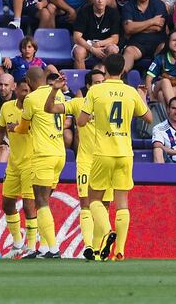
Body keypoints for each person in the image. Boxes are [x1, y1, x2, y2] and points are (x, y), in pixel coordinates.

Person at [77, 54, 152, 261]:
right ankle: (119, 251)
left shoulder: (95, 90)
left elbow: (82, 122)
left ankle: (108, 229)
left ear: (106, 69)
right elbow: (148, 117)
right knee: (122, 202)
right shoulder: (130, 92)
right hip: (125, 153)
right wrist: (139, 100)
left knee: (93, 199)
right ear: (123, 70)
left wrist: (93, 114)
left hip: (103, 152)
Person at [44, 73, 114, 261]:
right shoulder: (77, 103)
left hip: (105, 160)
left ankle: (100, 250)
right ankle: (89, 247)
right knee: (85, 204)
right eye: (96, 83)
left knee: (103, 206)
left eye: (102, 82)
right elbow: (50, 108)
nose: (100, 85)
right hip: (85, 161)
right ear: (89, 86)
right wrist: (55, 89)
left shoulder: (109, 104)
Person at [9, 67, 66, 258]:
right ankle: (43, 248)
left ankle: (53, 248)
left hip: (43, 155)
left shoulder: (31, 99)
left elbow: (24, 128)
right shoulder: (58, 96)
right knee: (45, 202)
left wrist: (14, 128)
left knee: (40, 202)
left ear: (29, 81)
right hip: (60, 153)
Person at [0, 79, 37, 258]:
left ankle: (32, 246)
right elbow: (0, 130)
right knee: (7, 203)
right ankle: (18, 243)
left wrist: (17, 128)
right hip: (13, 163)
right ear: (16, 89)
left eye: (29, 91)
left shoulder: (34, 109)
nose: (26, 94)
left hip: (31, 162)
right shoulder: (6, 108)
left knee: (28, 206)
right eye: (23, 90)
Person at [72, 0, 120, 69]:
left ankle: (107, 79)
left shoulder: (113, 13)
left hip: (104, 44)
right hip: (86, 43)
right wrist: (92, 49)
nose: (100, 0)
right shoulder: (83, 11)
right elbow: (77, 37)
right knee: (79, 52)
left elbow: (115, 38)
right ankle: (82, 80)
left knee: (113, 50)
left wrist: (99, 44)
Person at [145, 30, 176, 107]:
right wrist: (151, 96)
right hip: (158, 86)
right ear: (168, 41)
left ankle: (168, 116)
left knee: (161, 95)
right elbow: (148, 79)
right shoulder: (160, 57)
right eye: (174, 40)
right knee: (165, 81)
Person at [122, 0, 168, 72]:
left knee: (164, 48)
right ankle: (121, 75)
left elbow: (158, 27)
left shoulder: (159, 4)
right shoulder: (128, 6)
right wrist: (152, 21)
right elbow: (128, 29)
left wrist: (136, 26)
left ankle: (158, 78)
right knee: (129, 51)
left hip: (158, 43)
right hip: (137, 44)